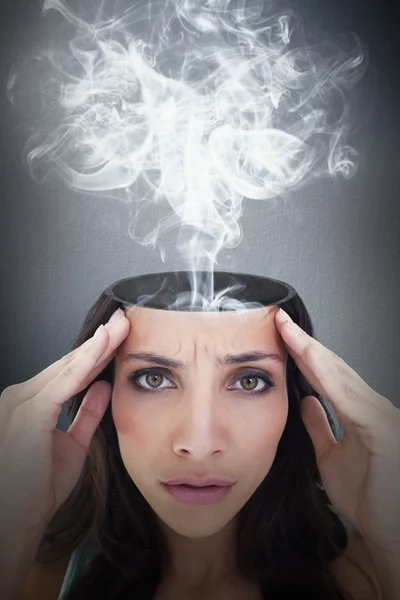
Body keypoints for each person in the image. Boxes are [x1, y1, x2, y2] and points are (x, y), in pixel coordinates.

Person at [1, 286, 395, 600]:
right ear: (102, 398)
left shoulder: (373, 578)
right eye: (153, 378)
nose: (200, 444)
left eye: (249, 380)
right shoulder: (30, 582)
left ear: (292, 404)